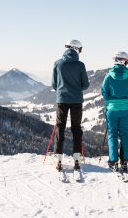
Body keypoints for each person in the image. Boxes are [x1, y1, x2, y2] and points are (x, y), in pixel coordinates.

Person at [52, 39, 89, 171]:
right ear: (77, 49)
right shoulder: (80, 65)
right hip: (76, 100)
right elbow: (85, 85)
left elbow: (54, 84)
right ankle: (77, 158)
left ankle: (58, 157)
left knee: (60, 127)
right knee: (76, 128)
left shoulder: (58, 63)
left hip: (62, 99)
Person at [101, 51, 128, 173]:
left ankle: (113, 160)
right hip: (125, 109)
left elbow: (104, 92)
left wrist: (111, 100)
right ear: (124, 61)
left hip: (112, 109)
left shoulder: (109, 76)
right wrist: (124, 99)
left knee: (112, 134)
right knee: (124, 134)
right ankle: (124, 160)